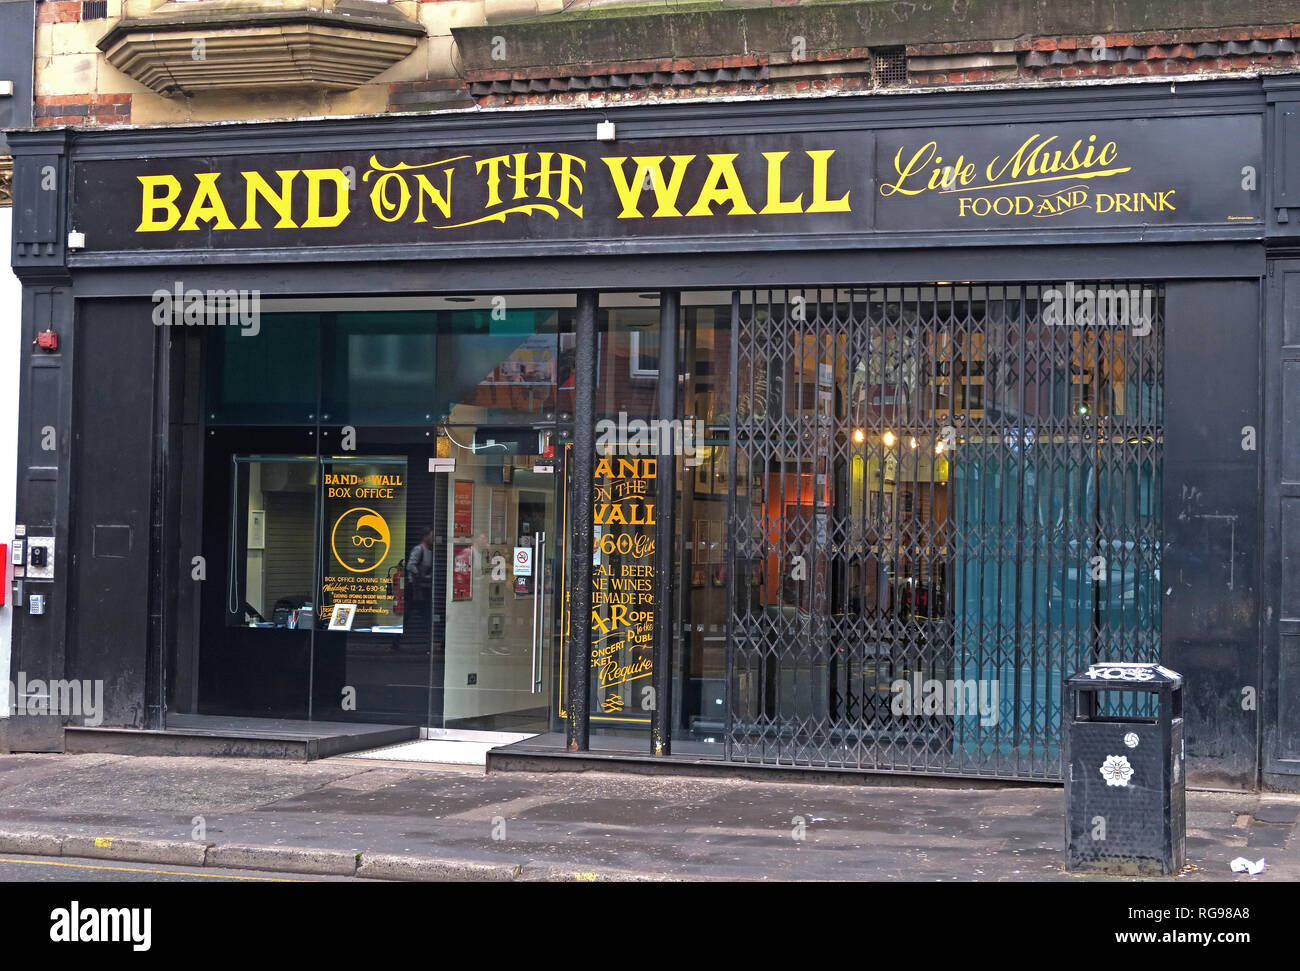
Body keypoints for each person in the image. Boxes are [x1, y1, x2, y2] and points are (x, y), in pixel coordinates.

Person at [401, 527, 435, 652]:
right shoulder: (419, 549)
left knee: (421, 616)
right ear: (425, 536)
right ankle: (428, 643)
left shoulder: (429, 552)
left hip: (423, 589)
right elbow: (410, 565)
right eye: (431, 535)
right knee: (422, 616)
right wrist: (420, 575)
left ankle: (396, 641)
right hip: (415, 589)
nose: (433, 538)